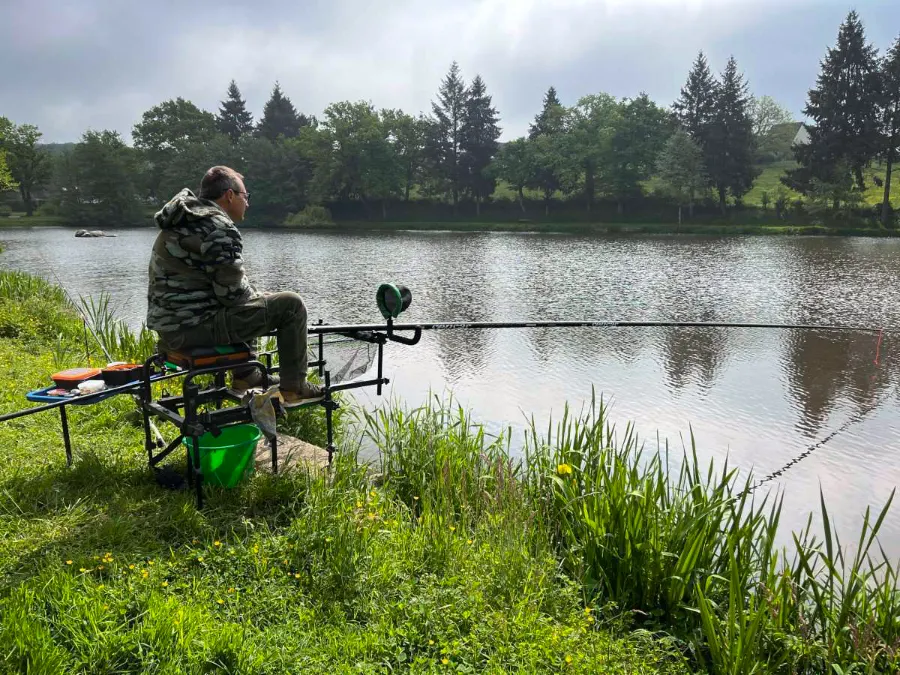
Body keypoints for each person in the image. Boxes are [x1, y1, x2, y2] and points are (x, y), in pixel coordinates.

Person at [146, 165, 324, 407]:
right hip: (191, 328)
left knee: (258, 302)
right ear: (229, 195)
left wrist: (259, 297)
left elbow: (225, 288)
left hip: (171, 328)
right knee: (291, 305)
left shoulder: (185, 219)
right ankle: (295, 387)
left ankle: (246, 375)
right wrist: (262, 299)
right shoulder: (218, 227)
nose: (247, 203)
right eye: (245, 197)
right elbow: (233, 296)